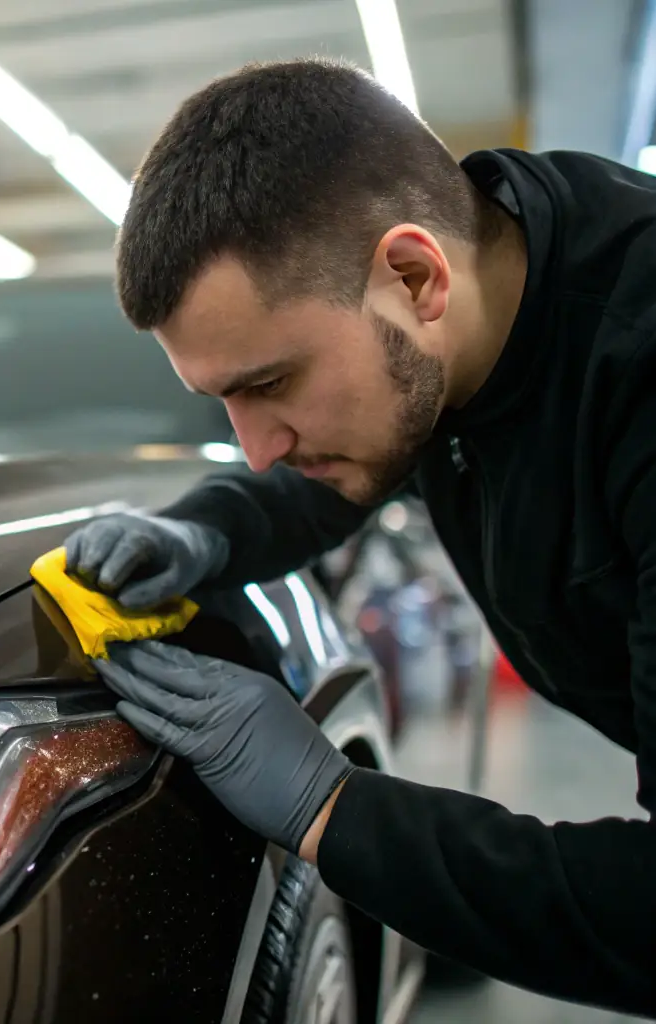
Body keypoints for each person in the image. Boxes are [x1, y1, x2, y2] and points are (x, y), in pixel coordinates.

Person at [64, 58, 656, 1016]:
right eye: (221, 401)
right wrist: (208, 535)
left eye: (267, 384)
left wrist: (332, 810)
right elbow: (367, 459)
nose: (253, 451)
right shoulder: (482, 299)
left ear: (414, 275)